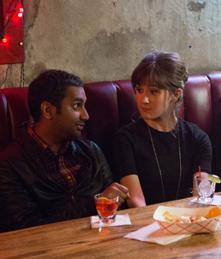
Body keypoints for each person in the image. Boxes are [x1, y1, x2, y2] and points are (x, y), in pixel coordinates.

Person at [0, 69, 129, 233]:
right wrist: (95, 204)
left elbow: (115, 208)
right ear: (47, 110)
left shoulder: (91, 151)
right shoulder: (10, 165)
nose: (86, 115)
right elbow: (25, 230)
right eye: (77, 106)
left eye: (84, 105)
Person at [111, 51, 212, 207]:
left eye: (153, 92)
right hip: (145, 225)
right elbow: (136, 203)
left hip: (188, 221)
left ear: (176, 94)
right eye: (139, 90)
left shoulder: (197, 138)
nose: (143, 99)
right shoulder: (125, 140)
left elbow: (200, 195)